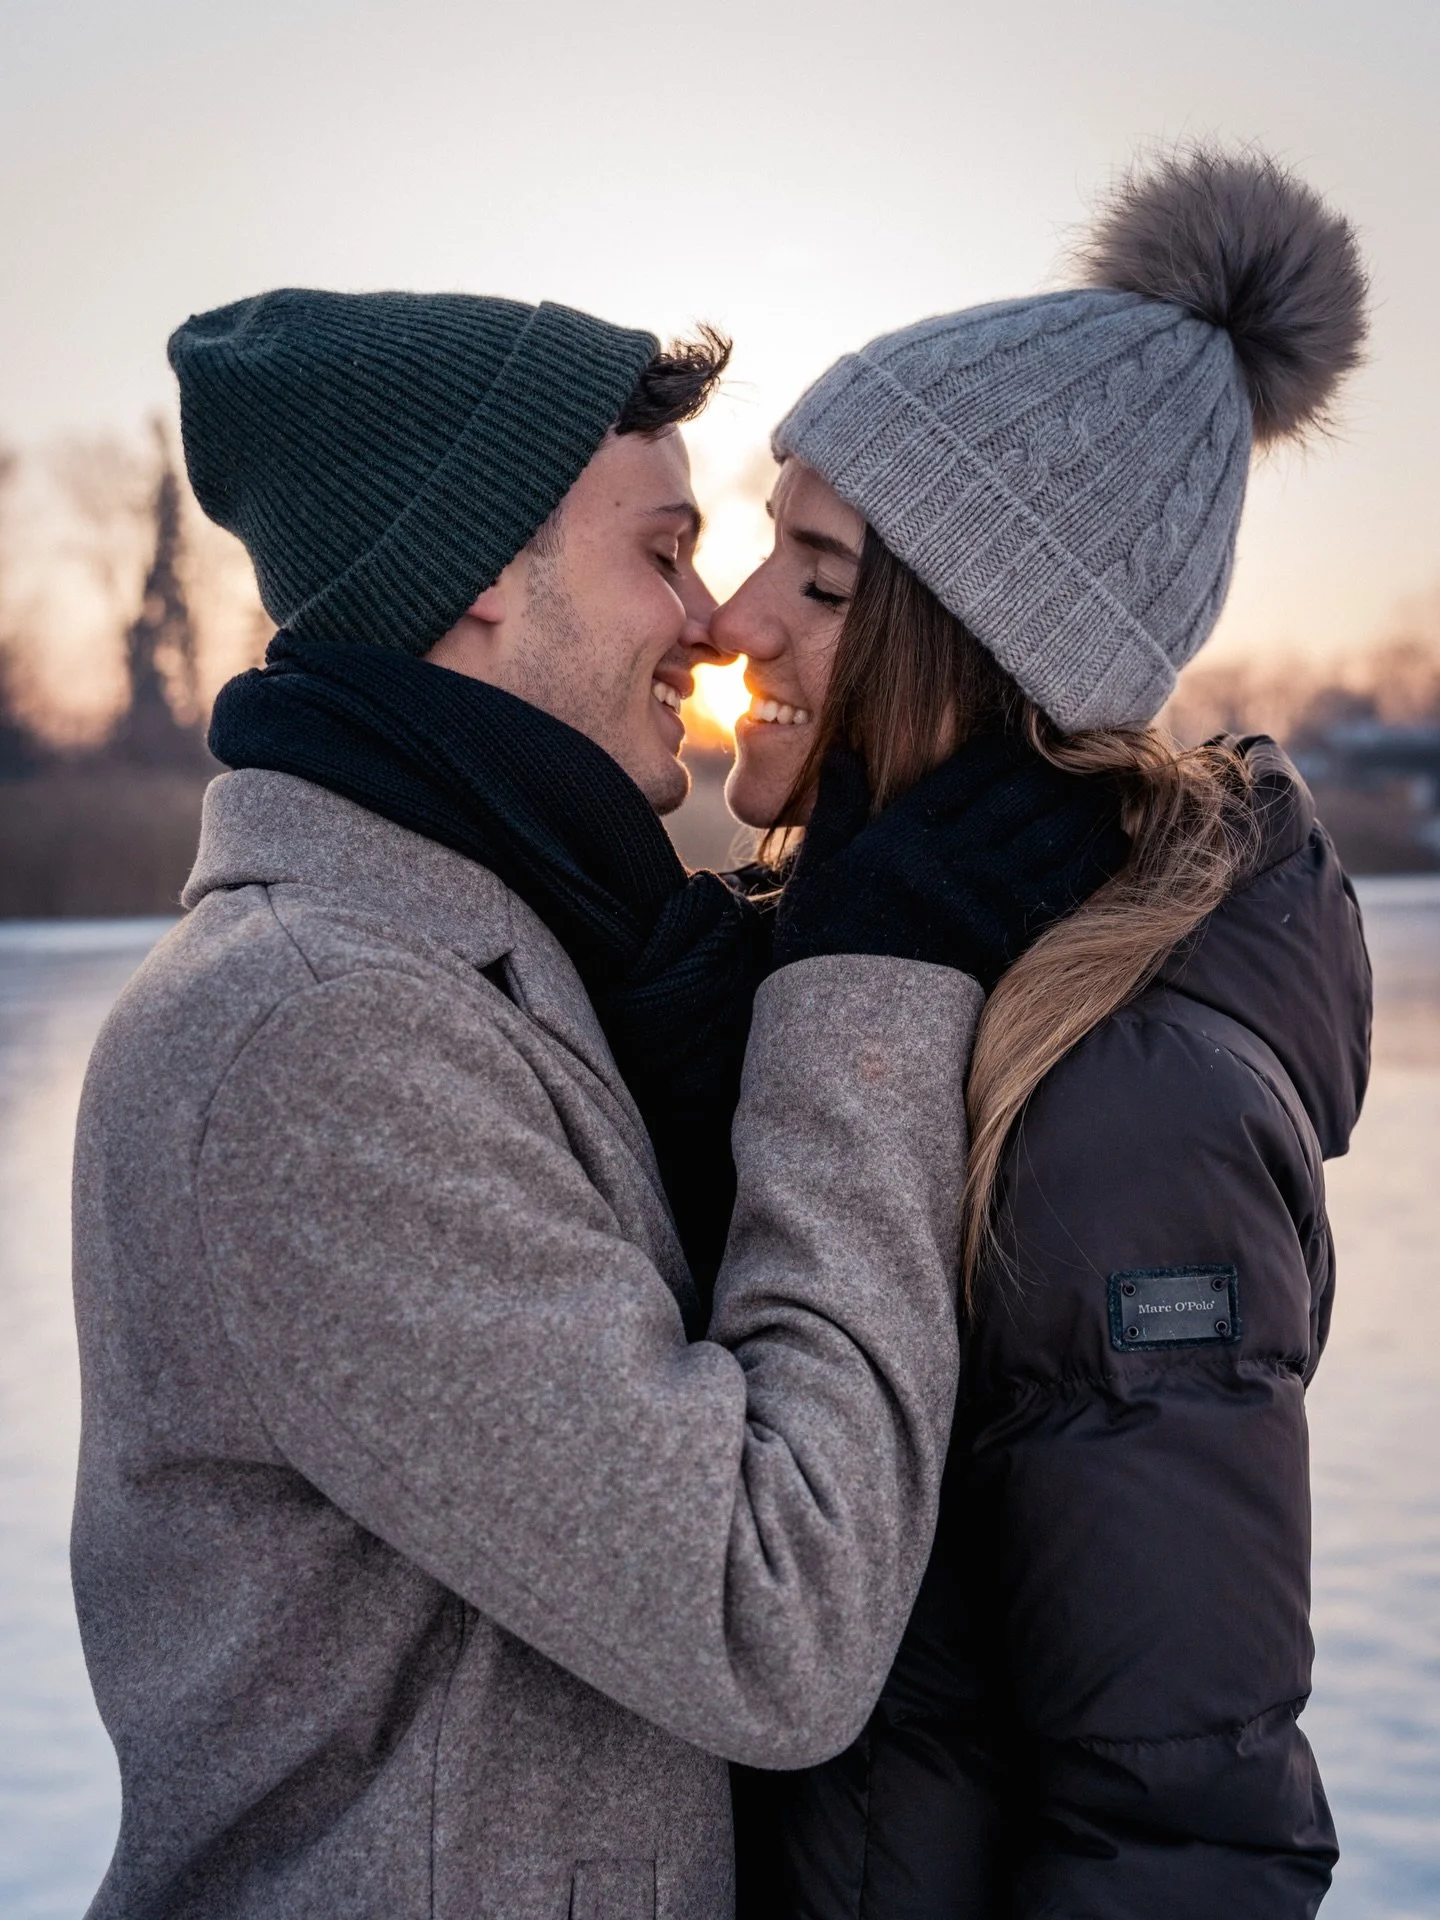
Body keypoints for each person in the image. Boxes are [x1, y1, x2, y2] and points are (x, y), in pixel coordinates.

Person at [70, 288, 1122, 1917]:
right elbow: (772, 1617)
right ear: (484, 572)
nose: (710, 621)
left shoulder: (494, 962)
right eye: (664, 551)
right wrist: (871, 993)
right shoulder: (317, 1038)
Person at [716, 147, 1372, 1916]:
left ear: (972, 645)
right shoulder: (867, 965)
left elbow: (1186, 1825)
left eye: (823, 580)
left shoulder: (1124, 1110)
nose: (734, 617)